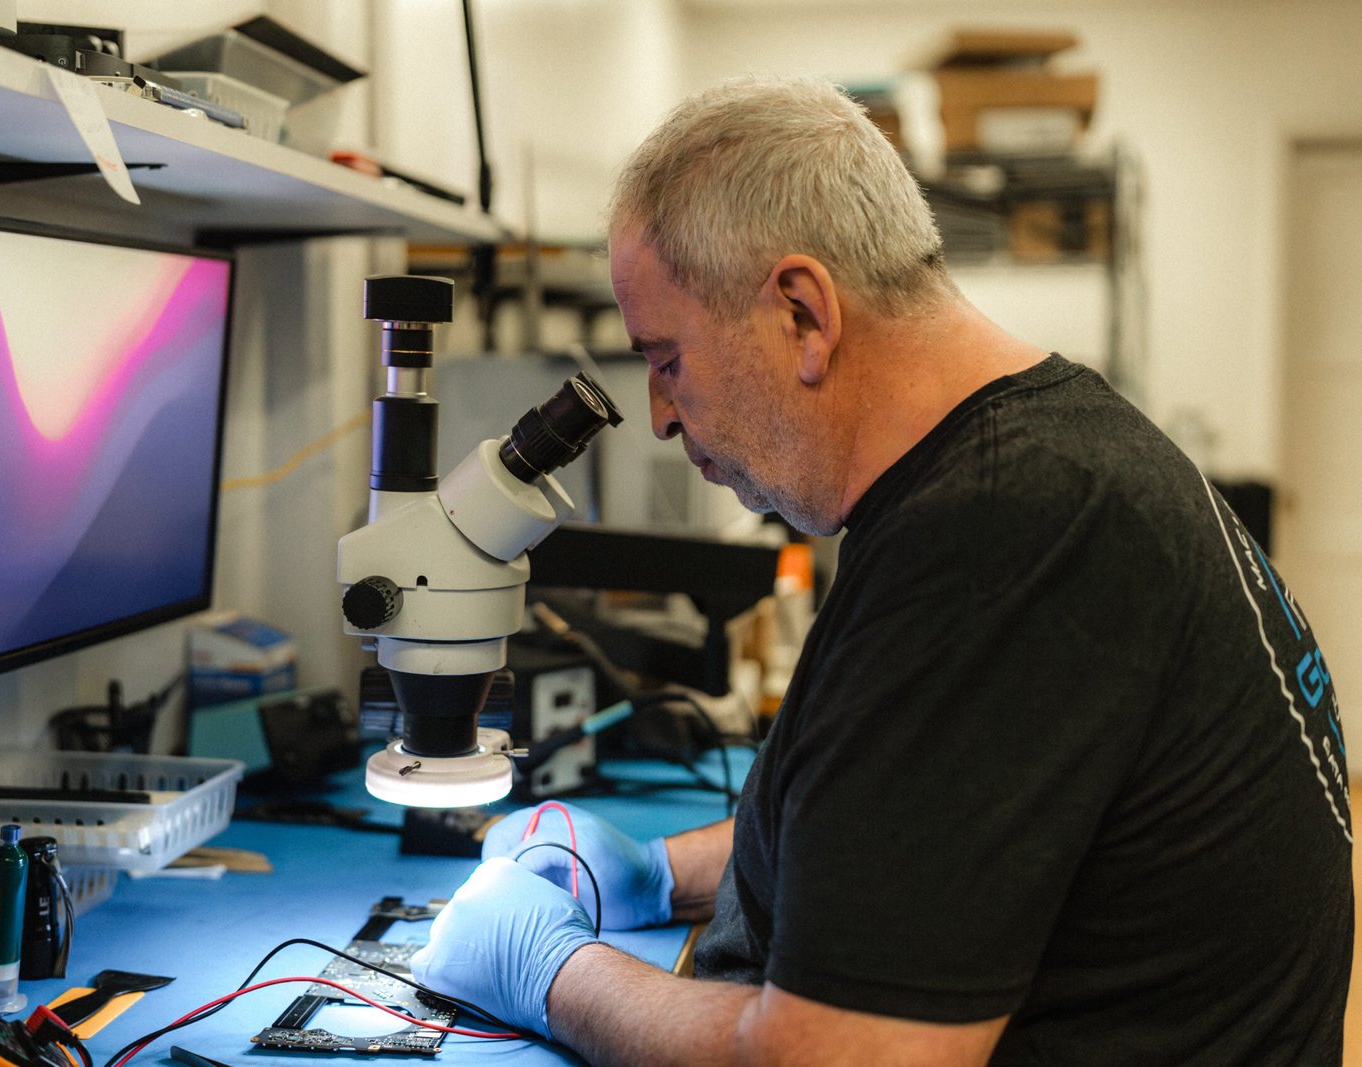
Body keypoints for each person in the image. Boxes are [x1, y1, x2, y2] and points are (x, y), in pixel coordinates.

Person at [409, 75, 1353, 1065]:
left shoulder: (1001, 541)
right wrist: (652, 875)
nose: (659, 413)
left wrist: (548, 971)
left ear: (803, 315)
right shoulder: (1046, 459)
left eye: (667, 356)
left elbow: (837, 1057)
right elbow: (910, 832)